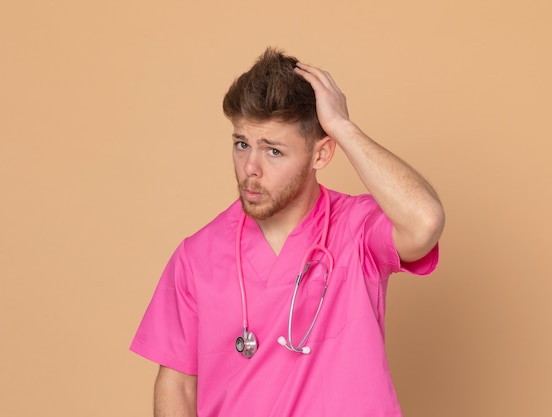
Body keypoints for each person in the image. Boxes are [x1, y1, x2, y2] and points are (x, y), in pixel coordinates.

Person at [130, 47, 445, 417]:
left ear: (321, 155)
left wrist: (342, 127)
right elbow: (178, 384)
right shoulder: (197, 255)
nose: (250, 167)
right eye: (242, 144)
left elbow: (425, 221)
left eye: (273, 151)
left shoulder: (357, 230)